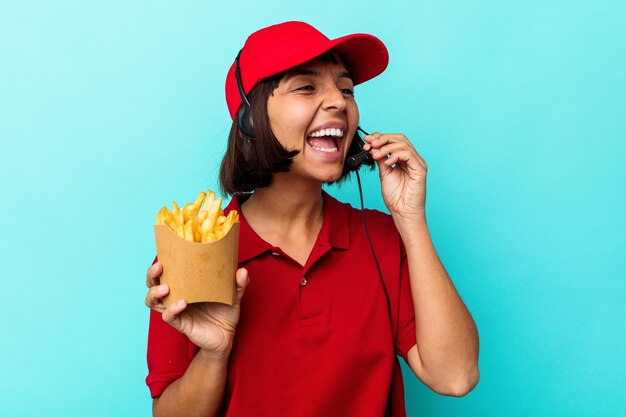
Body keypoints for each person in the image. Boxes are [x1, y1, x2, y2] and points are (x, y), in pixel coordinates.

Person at [144, 21, 479, 417]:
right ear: (251, 119)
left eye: (346, 88)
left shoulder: (382, 239)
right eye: (307, 87)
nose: (338, 101)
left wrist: (410, 219)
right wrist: (214, 354)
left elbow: (455, 376)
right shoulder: (193, 247)